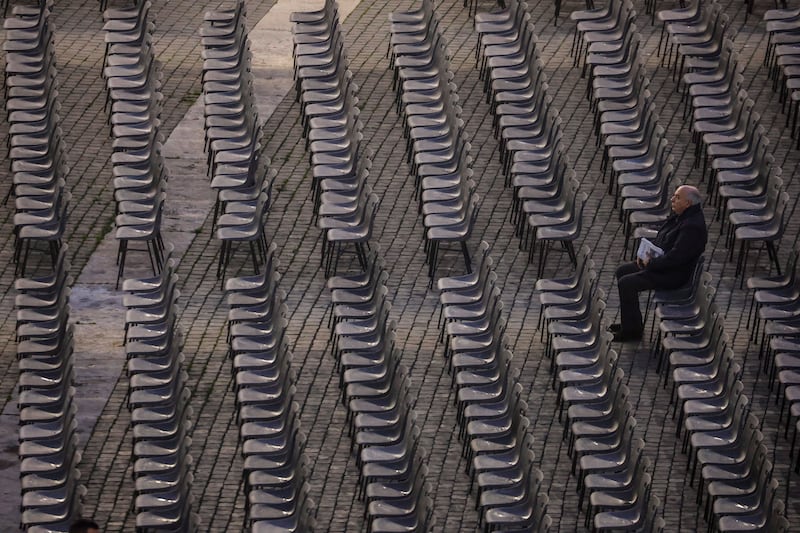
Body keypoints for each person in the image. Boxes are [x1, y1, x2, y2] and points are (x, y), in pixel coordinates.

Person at [609, 185, 708, 342]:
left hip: (673, 274)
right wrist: (646, 254)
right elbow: (664, 238)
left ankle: (631, 332)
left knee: (627, 283)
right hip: (662, 265)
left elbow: (676, 258)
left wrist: (651, 263)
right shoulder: (681, 216)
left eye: (677, 197)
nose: (672, 199)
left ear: (688, 203)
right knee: (623, 271)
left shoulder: (692, 227)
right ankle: (631, 324)